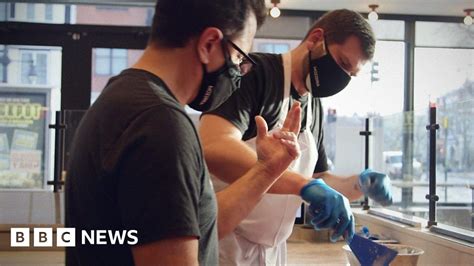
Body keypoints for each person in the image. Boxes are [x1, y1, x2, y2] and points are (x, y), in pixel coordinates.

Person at [65, 0, 303, 265]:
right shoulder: (160, 125)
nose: (238, 73)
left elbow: (193, 227)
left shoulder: (121, 98)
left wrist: (266, 170)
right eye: (238, 58)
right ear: (208, 44)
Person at [199, 9, 393, 265]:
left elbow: (317, 179)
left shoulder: (314, 106)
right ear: (316, 39)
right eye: (343, 64)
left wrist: (359, 184)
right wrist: (304, 186)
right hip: (226, 244)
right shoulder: (255, 74)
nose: (342, 79)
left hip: (275, 250)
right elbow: (213, 145)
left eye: (351, 75)